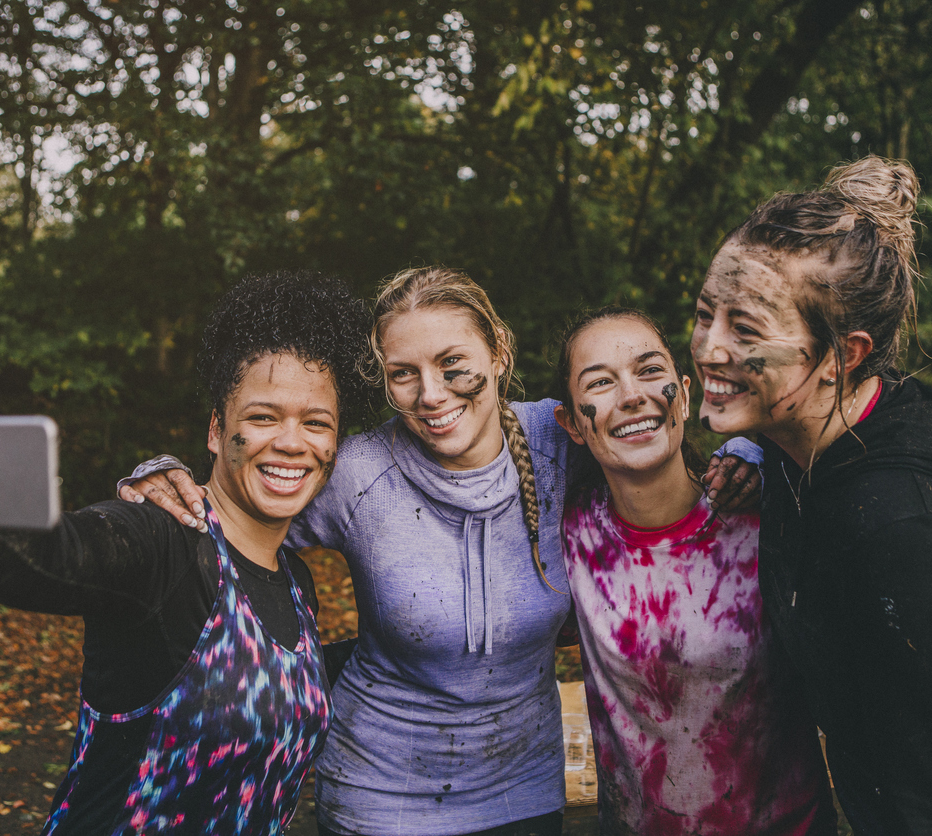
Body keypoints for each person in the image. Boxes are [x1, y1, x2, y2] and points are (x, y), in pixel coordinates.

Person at [122, 266, 761, 836]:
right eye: (404, 374)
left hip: (524, 795)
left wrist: (751, 452)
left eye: (452, 364)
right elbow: (242, 498)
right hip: (378, 799)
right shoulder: (360, 472)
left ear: (498, 351)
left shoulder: (560, 437)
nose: (431, 394)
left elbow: (653, 437)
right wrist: (157, 474)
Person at [0, 271, 380, 835]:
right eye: (263, 417)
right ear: (216, 429)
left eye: (315, 423)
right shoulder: (163, 541)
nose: (290, 441)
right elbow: (57, 554)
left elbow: (285, 682)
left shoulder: (296, 582)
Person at [689, 155, 932, 834]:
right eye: (704, 314)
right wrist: (751, 448)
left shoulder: (907, 538)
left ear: (841, 355)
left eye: (744, 329)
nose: (709, 348)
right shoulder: (807, 441)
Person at [550, 306, 835, 835]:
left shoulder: (765, 519)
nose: (632, 395)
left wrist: (768, 453)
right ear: (571, 422)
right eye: (600, 383)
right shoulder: (569, 536)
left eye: (649, 371)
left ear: (683, 394)